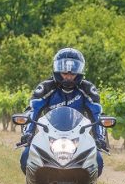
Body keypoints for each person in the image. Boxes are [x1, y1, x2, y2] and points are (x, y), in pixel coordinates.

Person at [19, 48, 107, 177]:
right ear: (57, 70)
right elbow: (34, 109)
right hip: (49, 134)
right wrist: (28, 133)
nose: (68, 76)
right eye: (64, 72)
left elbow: (97, 113)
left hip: (79, 136)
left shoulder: (87, 89)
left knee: (97, 161)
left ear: (80, 71)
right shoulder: (46, 87)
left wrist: (100, 138)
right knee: (26, 157)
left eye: (73, 72)